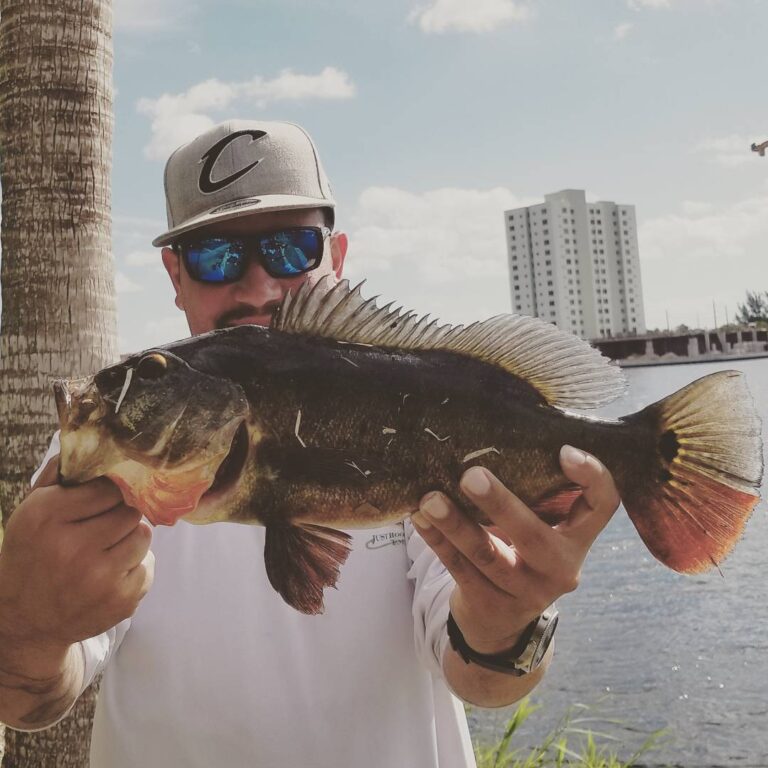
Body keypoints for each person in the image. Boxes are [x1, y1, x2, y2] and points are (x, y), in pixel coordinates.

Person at [0, 121, 621, 767]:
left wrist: (511, 619)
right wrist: (27, 626)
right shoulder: (115, 448)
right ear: (174, 274)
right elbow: (31, 701)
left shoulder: (407, 400)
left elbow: (486, 680)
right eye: (217, 255)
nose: (259, 286)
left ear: (337, 257)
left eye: (292, 248)